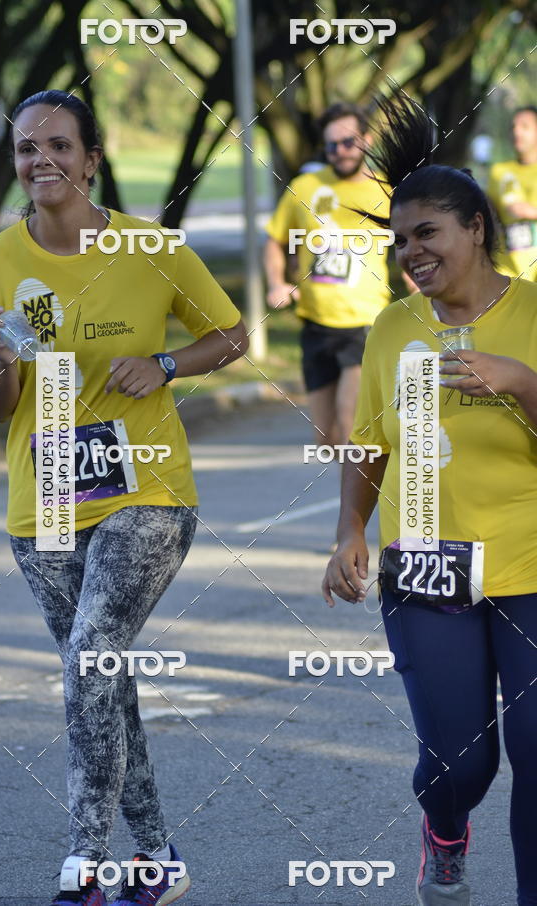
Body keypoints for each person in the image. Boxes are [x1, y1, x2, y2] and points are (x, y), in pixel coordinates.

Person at [0, 90, 248, 906]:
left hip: (148, 487)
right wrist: (7, 366)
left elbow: (231, 335)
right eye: (25, 148)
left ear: (91, 160)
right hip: (46, 496)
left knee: (91, 654)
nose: (39, 160)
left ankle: (84, 863)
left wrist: (164, 365)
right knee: (104, 678)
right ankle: (157, 859)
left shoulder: (153, 247)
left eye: (58, 145)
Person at [322, 95, 537, 906]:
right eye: (399, 240)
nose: (409, 253)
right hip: (427, 566)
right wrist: (350, 530)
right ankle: (445, 828)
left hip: (532, 563)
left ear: (476, 227)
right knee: (460, 761)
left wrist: (520, 382)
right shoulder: (391, 329)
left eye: (427, 234)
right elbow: (371, 446)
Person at [263, 101, 391, 450]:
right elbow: (275, 241)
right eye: (332, 145)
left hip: (365, 322)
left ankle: (360, 504)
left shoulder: (386, 191)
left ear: (366, 139)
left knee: (351, 423)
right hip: (316, 324)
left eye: (349, 142)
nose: (341, 152)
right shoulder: (305, 187)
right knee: (326, 439)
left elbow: (413, 240)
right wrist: (277, 282)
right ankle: (359, 490)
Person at [488, 106, 537, 281]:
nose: (516, 132)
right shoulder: (498, 172)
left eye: (525, 126)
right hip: (507, 275)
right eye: (513, 127)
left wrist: (532, 213)